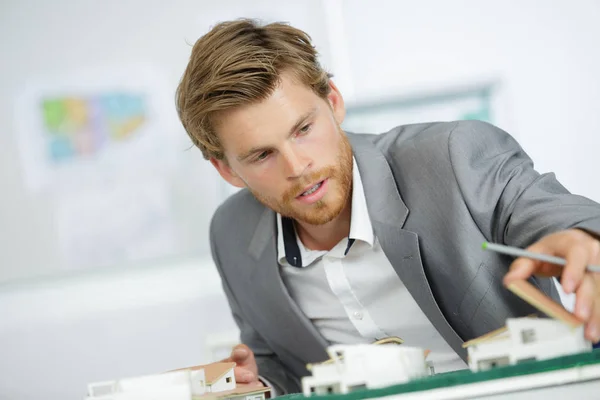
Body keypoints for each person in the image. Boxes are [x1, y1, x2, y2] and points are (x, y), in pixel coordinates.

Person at [176, 19, 600, 394]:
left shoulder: (453, 156)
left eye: (304, 129)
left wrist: (583, 238)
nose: (298, 166)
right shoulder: (230, 233)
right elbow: (282, 364)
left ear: (334, 102)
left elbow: (560, 217)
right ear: (227, 170)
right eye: (261, 155)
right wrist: (261, 383)